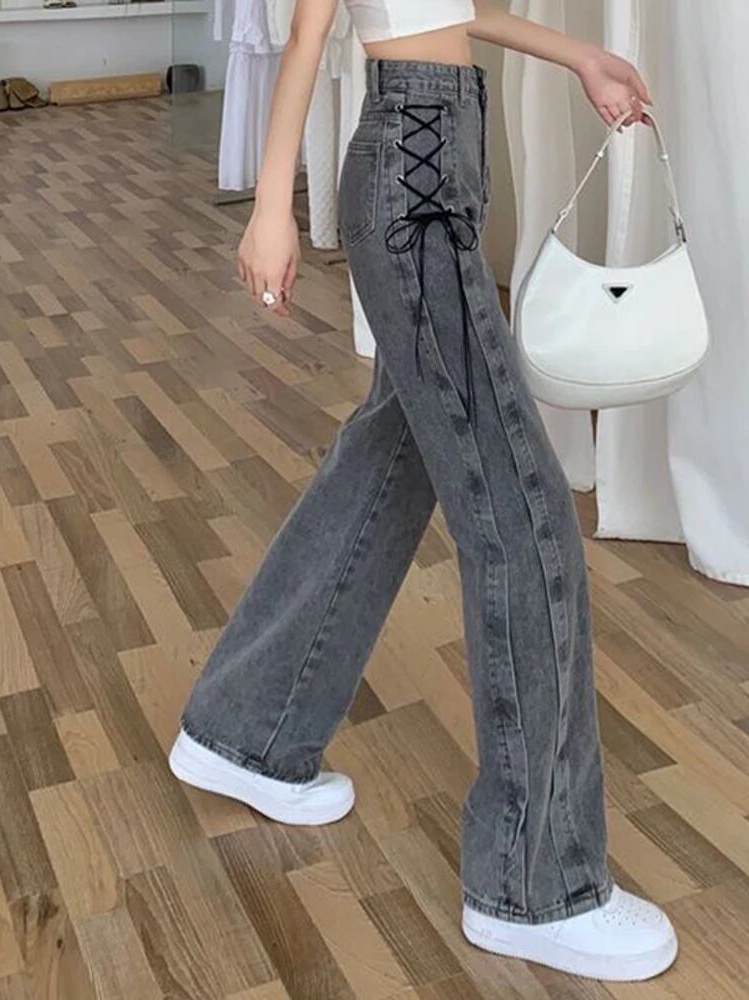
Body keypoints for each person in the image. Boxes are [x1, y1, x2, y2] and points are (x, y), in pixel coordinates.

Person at [170, 0, 677, 983]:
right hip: (412, 173)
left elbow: (452, 9)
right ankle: (535, 886)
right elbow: (308, 32)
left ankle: (246, 730)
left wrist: (579, 55)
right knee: (524, 514)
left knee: (390, 466)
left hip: (440, 157)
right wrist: (272, 206)